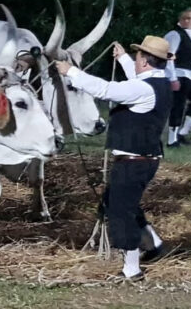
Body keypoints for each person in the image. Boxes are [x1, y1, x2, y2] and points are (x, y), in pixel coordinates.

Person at [56, 36, 173, 281]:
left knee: (121, 211)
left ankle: (132, 269)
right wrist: (123, 59)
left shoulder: (142, 89)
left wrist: (71, 72)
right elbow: (136, 79)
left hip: (133, 162)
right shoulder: (158, 83)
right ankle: (155, 245)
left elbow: (106, 89)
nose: (137, 59)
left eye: (138, 55)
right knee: (120, 203)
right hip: (143, 159)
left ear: (144, 60)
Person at [165, 8, 191, 147]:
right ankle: (172, 139)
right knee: (178, 107)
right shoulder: (175, 34)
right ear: (180, 19)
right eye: (184, 18)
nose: (187, 21)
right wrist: (173, 78)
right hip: (179, 74)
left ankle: (183, 132)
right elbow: (169, 57)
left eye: (190, 18)